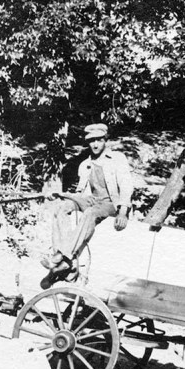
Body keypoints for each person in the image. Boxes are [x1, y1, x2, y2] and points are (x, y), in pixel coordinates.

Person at [41, 122, 134, 288]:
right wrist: (60, 195)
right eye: (92, 141)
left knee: (91, 212)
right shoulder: (85, 165)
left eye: (99, 140)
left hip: (111, 204)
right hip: (92, 201)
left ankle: (64, 257)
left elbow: (126, 185)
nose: (95, 144)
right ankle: (58, 259)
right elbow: (81, 193)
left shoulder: (117, 159)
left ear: (106, 140)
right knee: (61, 207)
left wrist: (123, 211)